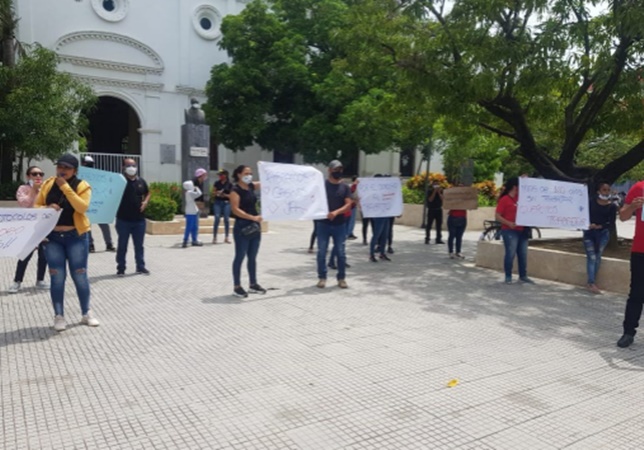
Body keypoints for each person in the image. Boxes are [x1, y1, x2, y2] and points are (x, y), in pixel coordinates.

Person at [35, 154, 99, 331]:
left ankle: (86, 312)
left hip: (76, 236)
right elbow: (36, 205)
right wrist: (46, 208)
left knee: (79, 274)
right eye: (60, 167)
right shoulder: (48, 184)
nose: (62, 170)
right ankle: (59, 315)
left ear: (75, 170)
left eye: (67, 168)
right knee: (57, 277)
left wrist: (65, 188)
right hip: (52, 237)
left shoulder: (82, 185)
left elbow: (82, 207)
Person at [7, 166, 49, 294]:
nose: (38, 176)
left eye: (40, 174)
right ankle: (17, 281)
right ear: (28, 176)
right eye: (34, 174)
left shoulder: (46, 189)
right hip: (28, 227)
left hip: (43, 226)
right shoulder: (23, 189)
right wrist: (33, 191)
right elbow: (24, 203)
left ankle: (40, 279)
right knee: (25, 255)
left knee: (44, 255)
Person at [230, 165, 266, 298]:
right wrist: (252, 217)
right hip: (242, 226)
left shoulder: (250, 186)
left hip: (255, 226)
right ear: (239, 175)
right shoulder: (235, 190)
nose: (249, 175)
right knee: (240, 256)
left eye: (250, 173)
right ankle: (237, 286)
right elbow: (235, 209)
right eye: (246, 173)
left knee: (253, 256)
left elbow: (265, 183)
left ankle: (253, 284)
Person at [315, 160, 352, 288]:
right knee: (321, 252)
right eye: (336, 169)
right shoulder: (322, 186)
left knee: (341, 252)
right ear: (329, 170)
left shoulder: (345, 187)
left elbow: (348, 205)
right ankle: (322, 277)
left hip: (339, 225)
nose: (338, 172)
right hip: (322, 224)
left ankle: (341, 278)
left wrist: (336, 212)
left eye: (340, 169)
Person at [616, 180, 644, 348]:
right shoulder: (639, 187)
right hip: (640, 250)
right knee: (636, 294)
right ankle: (628, 332)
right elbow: (623, 216)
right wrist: (633, 206)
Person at [115, 158, 151, 276]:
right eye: (129, 165)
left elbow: (148, 193)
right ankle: (121, 268)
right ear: (123, 168)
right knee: (122, 245)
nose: (132, 168)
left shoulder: (141, 181)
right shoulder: (120, 182)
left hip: (139, 220)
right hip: (123, 220)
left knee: (139, 245)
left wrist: (145, 202)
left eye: (133, 165)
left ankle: (140, 267)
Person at [495, 177, 532, 284]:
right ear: (515, 187)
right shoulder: (505, 199)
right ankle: (508, 275)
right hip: (509, 230)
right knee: (510, 253)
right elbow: (498, 216)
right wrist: (508, 223)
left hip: (522, 230)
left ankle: (523, 275)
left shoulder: (521, 198)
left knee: (523, 253)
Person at [584, 181, 616, 294]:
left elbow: (611, 222)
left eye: (608, 190)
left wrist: (600, 226)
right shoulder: (591, 203)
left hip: (603, 234)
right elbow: (583, 215)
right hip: (589, 233)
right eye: (604, 190)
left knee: (597, 256)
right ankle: (591, 282)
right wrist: (589, 224)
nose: (606, 192)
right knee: (591, 257)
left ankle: (592, 281)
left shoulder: (612, 206)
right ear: (599, 191)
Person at [81, 155, 116, 253]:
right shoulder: (80, 176)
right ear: (83, 164)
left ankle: (109, 244)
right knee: (88, 226)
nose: (90, 167)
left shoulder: (97, 176)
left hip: (99, 204)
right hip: (86, 204)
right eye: (88, 164)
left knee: (104, 224)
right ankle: (90, 245)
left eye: (91, 165)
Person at [212, 169, 233, 244]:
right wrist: (217, 193)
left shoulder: (230, 184)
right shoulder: (217, 183)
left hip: (226, 202)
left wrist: (224, 195)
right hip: (218, 202)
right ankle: (214, 237)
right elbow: (213, 192)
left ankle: (226, 237)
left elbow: (232, 195)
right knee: (217, 218)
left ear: (225, 175)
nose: (220, 176)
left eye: (221, 175)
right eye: (219, 175)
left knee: (226, 219)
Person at [182, 180, 203, 247]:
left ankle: (194, 240)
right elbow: (199, 193)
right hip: (191, 212)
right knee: (190, 227)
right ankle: (186, 240)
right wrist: (196, 188)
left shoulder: (187, 193)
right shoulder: (189, 192)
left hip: (192, 211)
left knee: (194, 227)